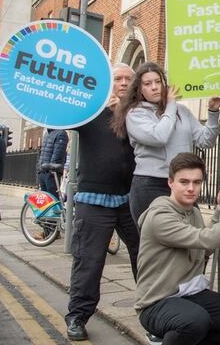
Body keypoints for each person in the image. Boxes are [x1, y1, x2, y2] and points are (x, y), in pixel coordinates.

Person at [135, 152, 220, 345]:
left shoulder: (192, 212)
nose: (191, 188)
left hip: (193, 295)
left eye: (197, 182)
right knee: (194, 321)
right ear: (170, 183)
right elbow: (204, 239)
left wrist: (219, 211)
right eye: (184, 182)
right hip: (158, 303)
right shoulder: (159, 217)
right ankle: (162, 337)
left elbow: (203, 249)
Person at [64, 64, 144, 342]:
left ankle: (153, 311)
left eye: (128, 79)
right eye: (117, 79)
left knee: (145, 256)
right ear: (108, 84)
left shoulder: (140, 115)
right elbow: (54, 115)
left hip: (129, 200)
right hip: (93, 201)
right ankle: (77, 316)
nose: (123, 83)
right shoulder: (90, 111)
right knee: (89, 262)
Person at [112, 62, 220, 225]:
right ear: (139, 89)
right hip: (150, 184)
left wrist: (213, 112)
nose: (155, 87)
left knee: (195, 240)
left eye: (158, 82)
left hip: (182, 183)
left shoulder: (181, 111)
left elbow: (205, 140)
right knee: (158, 243)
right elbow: (159, 137)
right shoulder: (135, 114)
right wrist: (171, 105)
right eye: (148, 84)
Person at [38, 128, 69, 200]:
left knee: (53, 200)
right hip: (43, 171)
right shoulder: (47, 134)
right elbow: (42, 153)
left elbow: (58, 155)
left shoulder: (61, 133)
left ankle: (56, 211)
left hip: (51, 172)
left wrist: (50, 167)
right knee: (45, 201)